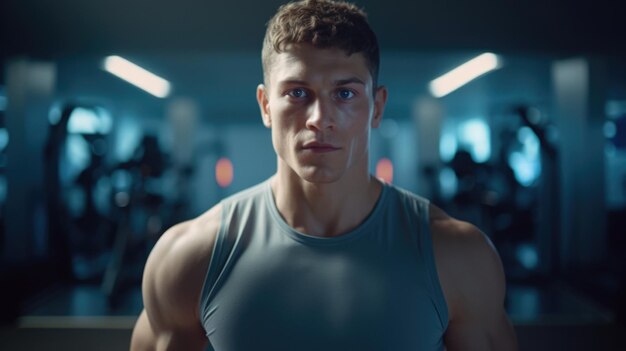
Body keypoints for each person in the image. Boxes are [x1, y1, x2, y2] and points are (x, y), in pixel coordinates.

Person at [130, 0, 519, 350]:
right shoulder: (187, 257)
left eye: (345, 94)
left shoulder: (458, 256)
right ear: (266, 106)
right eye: (297, 93)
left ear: (377, 107)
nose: (320, 119)